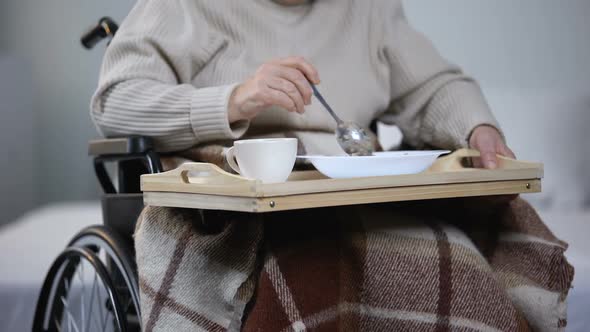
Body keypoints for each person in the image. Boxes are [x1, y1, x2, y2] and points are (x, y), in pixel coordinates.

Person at [91, 1, 572, 331]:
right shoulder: (182, 7)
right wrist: (235, 100)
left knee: (456, 263)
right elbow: (115, 101)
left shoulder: (366, 10)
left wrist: (477, 128)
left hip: (353, 191)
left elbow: (432, 86)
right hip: (239, 204)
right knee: (310, 269)